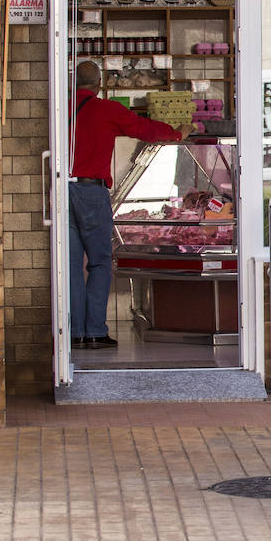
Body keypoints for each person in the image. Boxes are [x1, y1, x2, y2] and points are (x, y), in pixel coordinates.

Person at [68, 60, 193, 349]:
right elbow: (144, 129)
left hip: (64, 191)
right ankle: (95, 331)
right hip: (91, 192)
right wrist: (177, 133)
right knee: (100, 262)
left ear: (74, 85)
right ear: (99, 84)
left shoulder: (62, 110)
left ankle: (74, 334)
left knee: (72, 265)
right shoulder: (106, 109)